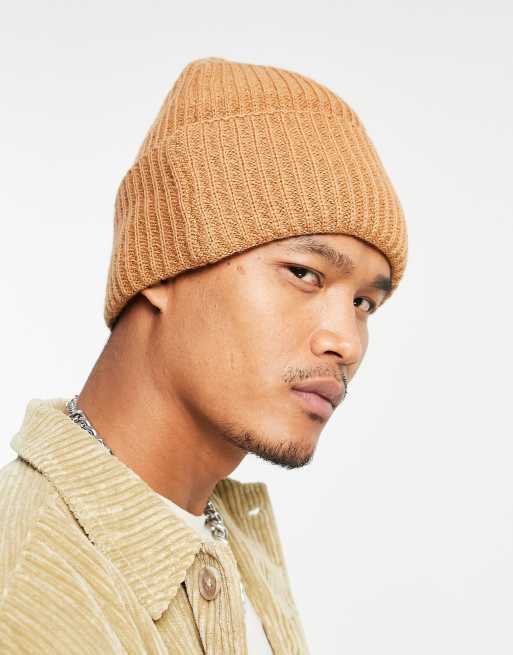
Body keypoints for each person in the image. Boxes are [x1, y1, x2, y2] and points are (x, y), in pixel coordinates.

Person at [0, 56, 408, 654]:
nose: (346, 342)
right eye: (303, 273)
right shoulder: (33, 588)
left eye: (364, 303)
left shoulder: (226, 532)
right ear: (164, 267)